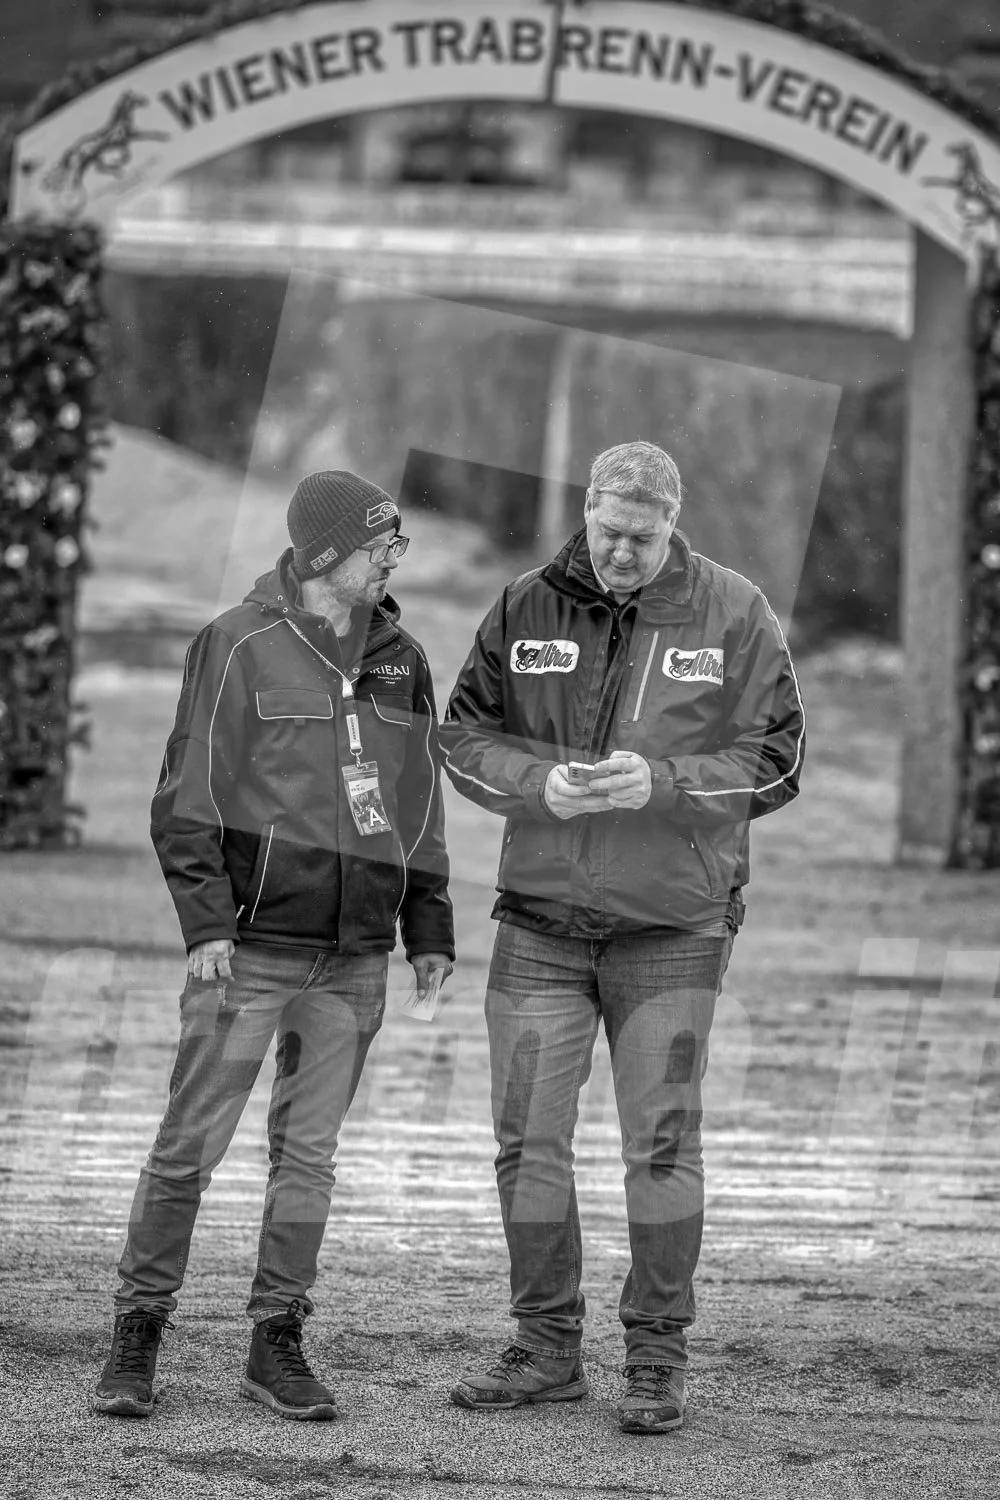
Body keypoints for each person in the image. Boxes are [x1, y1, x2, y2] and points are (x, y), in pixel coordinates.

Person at [439, 440, 804, 1434]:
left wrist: (666, 785)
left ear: (670, 524)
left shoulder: (733, 612)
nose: (621, 554)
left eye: (641, 539)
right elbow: (462, 737)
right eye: (607, 534)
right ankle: (547, 1350)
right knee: (526, 1146)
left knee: (660, 1145)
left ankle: (654, 1363)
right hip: (540, 926)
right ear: (587, 512)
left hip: (673, 931)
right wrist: (533, 785)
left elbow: (775, 761)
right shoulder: (524, 605)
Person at [93, 470, 454, 1422]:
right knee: (188, 1151)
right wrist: (207, 923)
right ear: (326, 554)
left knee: (309, 1160)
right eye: (381, 543)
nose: (392, 557)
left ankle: (276, 1341)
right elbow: (186, 801)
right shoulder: (236, 644)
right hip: (248, 952)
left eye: (396, 543)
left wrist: (428, 927)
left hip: (356, 956)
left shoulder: (403, 659)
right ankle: (137, 1335)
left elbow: (417, 806)